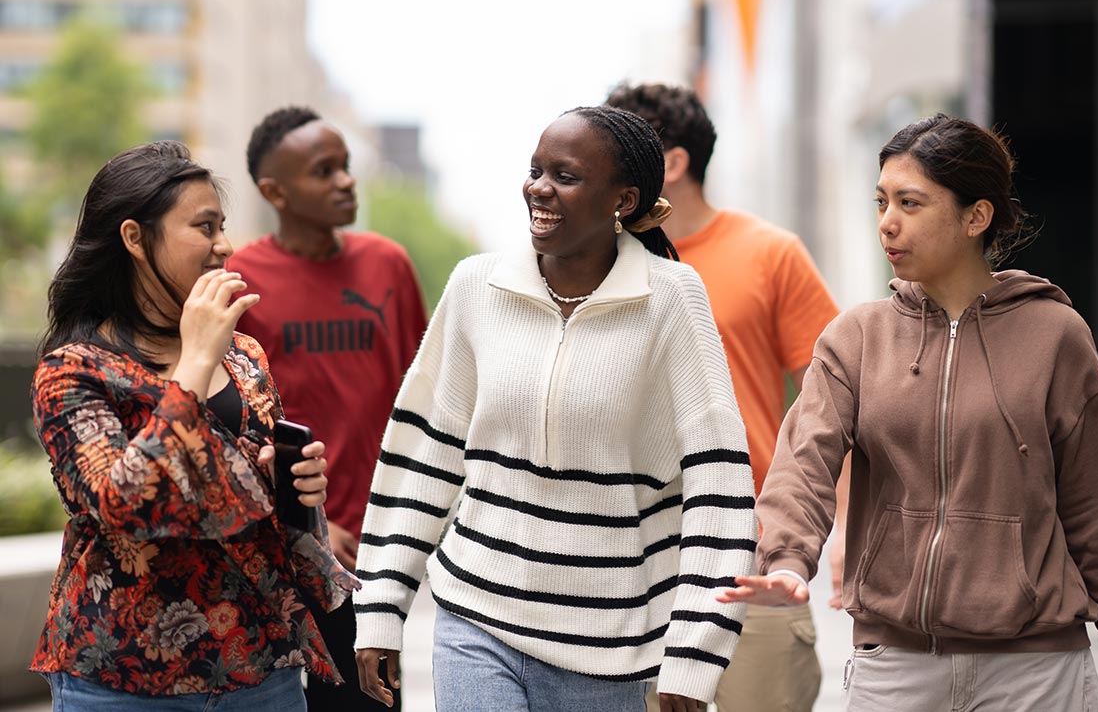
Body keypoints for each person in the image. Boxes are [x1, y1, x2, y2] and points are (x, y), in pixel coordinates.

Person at [719, 113, 1098, 712]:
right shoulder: (857, 338)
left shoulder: (1054, 336)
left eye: (910, 202)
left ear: (975, 217)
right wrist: (786, 560)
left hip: (1035, 671)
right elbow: (803, 467)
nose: (887, 222)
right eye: (881, 201)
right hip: (896, 669)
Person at [351, 106, 758, 712]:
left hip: (609, 651)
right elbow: (425, 455)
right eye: (534, 170)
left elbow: (719, 492)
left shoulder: (672, 300)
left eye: (564, 176)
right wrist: (381, 607)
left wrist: (693, 656)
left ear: (623, 198)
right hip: (475, 620)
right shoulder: (475, 287)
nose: (537, 188)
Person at [29, 141, 357, 711]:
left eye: (223, 226)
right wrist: (196, 356)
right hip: (122, 679)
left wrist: (293, 485)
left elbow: (249, 494)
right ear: (134, 238)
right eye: (204, 227)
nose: (224, 246)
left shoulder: (245, 354)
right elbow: (121, 506)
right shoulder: (74, 369)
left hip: (259, 667)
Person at [606, 82, 840, 712]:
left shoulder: (771, 254)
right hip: (633, 564)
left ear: (672, 164)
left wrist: (846, 539)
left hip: (751, 554)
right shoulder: (598, 264)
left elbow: (839, 404)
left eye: (617, 151)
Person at [228, 106, 427, 711]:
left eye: (345, 167)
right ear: (275, 191)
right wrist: (308, 521)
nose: (345, 181)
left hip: (381, 545)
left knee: (377, 698)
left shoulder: (387, 263)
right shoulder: (241, 278)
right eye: (324, 171)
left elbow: (423, 397)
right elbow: (233, 416)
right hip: (293, 542)